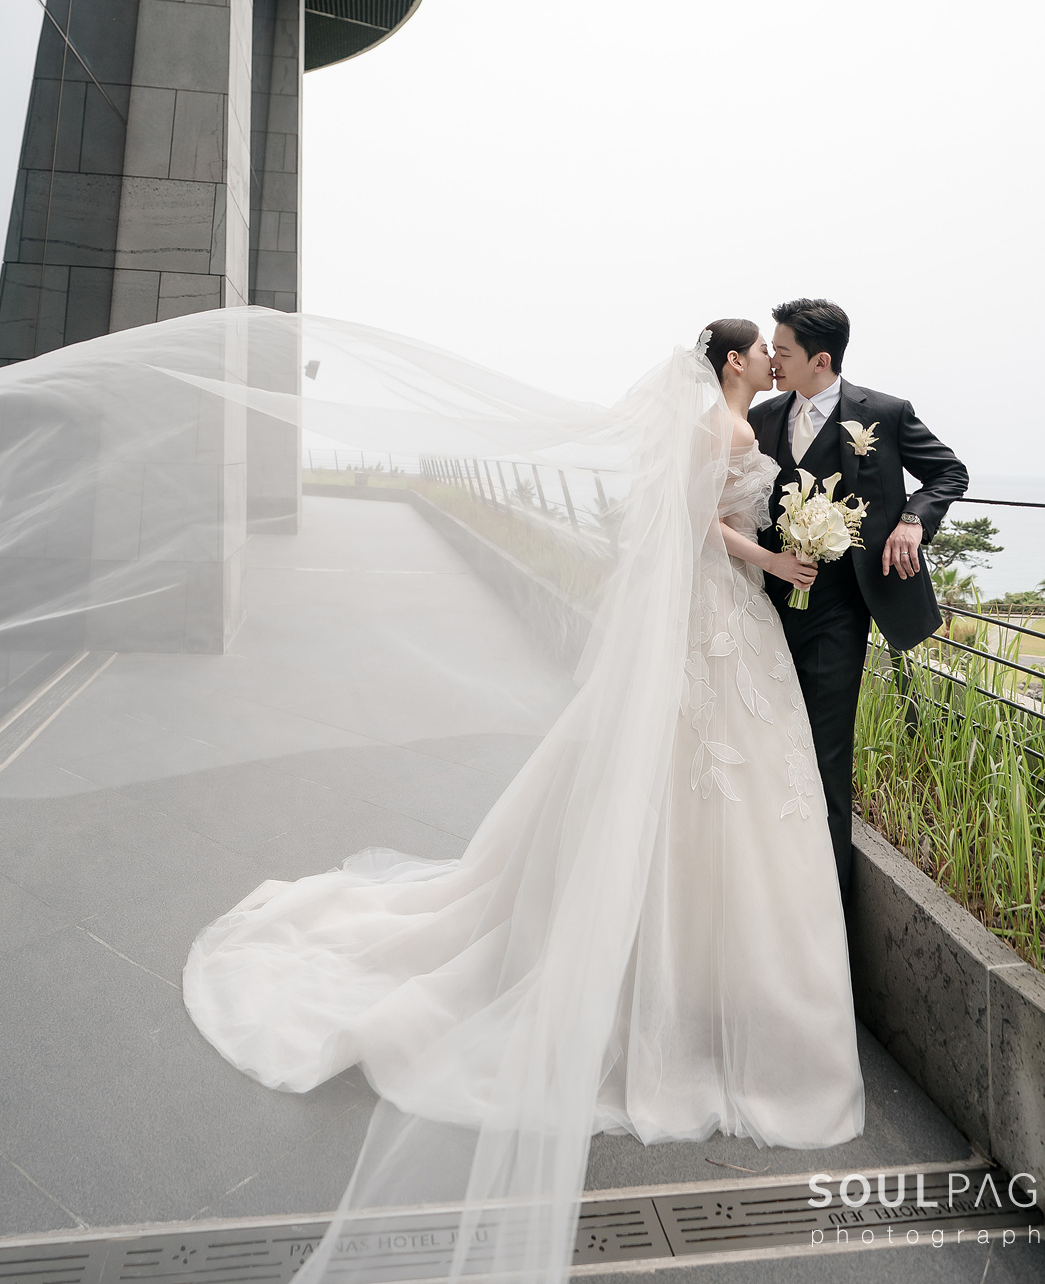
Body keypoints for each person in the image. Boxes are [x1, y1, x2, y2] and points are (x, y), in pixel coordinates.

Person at [184, 317, 865, 1284]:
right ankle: (679, 1001)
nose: (767, 362)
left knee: (729, 796)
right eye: (758, 352)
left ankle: (710, 985)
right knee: (697, 789)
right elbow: (687, 526)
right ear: (732, 362)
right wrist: (776, 560)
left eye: (775, 352)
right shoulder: (718, 429)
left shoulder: (741, 423)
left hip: (731, 620)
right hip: (721, 609)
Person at [749, 299, 968, 907]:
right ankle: (762, 900)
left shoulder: (886, 413)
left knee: (825, 758)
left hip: (841, 613)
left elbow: (949, 473)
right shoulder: (763, 416)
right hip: (761, 609)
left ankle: (824, 913)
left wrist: (912, 523)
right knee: (759, 749)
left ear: (820, 360)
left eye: (783, 351)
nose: (774, 362)